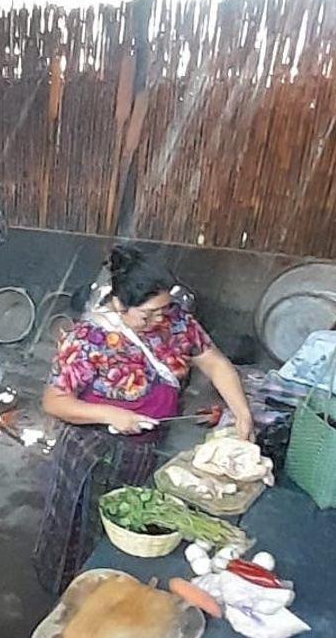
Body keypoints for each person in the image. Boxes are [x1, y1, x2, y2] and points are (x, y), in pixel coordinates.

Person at [35, 244, 253, 594]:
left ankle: (115, 591)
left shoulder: (177, 322)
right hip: (93, 450)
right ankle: (68, 590)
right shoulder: (88, 338)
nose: (158, 321)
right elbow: (54, 401)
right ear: (120, 304)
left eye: (163, 309)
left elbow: (214, 363)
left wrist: (242, 413)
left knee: (133, 527)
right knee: (82, 525)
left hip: (147, 446)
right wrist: (109, 413)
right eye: (147, 314)